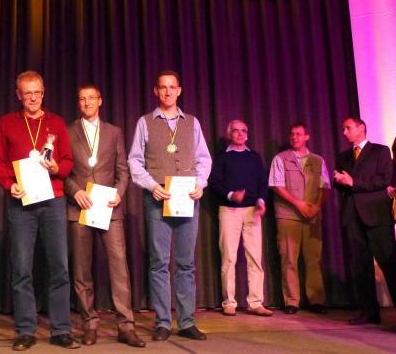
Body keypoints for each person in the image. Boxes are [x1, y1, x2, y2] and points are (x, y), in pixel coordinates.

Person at [0, 70, 79, 351]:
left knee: (59, 267)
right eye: (27, 93)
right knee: (22, 268)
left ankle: (61, 329)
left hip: (53, 200)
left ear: (43, 93)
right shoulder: (6, 123)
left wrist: (57, 168)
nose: (32, 98)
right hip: (22, 203)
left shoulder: (56, 123)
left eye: (36, 92)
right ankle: (26, 330)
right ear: (18, 95)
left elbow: (68, 161)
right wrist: (9, 184)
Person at [128, 70, 211, 342]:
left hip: (187, 198)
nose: (167, 92)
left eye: (172, 87)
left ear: (179, 91)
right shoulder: (145, 122)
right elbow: (134, 161)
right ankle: (163, 321)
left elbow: (203, 158)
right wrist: (152, 185)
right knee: (159, 263)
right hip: (158, 198)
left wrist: (201, 183)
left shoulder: (192, 123)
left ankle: (186, 321)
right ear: (156, 91)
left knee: (186, 263)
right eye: (162, 87)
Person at [64, 84, 145, 348]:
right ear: (78, 103)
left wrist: (119, 193)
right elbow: (63, 172)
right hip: (80, 207)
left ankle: (126, 326)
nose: (87, 102)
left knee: (119, 267)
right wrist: (75, 191)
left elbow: (123, 170)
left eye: (91, 98)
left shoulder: (114, 132)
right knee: (82, 271)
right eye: (82, 98)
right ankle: (89, 324)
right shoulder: (68, 131)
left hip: (109, 208)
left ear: (100, 101)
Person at [333, 117, 396, 325]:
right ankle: (369, 312)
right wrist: (339, 180)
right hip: (353, 215)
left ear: (361, 128)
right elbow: (343, 187)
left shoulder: (380, 151)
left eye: (348, 128)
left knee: (389, 263)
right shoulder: (343, 156)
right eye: (343, 129)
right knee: (360, 266)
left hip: (376, 215)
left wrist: (353, 182)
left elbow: (383, 180)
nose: (344, 132)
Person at [209, 119, 272, 317]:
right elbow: (214, 183)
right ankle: (229, 302)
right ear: (229, 134)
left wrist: (261, 200)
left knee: (255, 258)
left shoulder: (254, 157)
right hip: (229, 211)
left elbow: (263, 182)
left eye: (243, 131)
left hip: (253, 211)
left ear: (247, 134)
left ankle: (256, 302)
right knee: (229, 257)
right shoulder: (222, 158)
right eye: (236, 131)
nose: (240, 134)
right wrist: (231, 195)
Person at [268, 122, 329, 315]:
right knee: (289, 259)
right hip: (288, 216)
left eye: (298, 134)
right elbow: (277, 186)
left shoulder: (318, 160)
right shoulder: (280, 158)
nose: (294, 137)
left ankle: (316, 300)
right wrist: (298, 204)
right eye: (292, 134)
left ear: (307, 137)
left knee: (313, 259)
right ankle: (292, 301)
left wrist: (316, 206)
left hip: (312, 215)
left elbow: (325, 186)